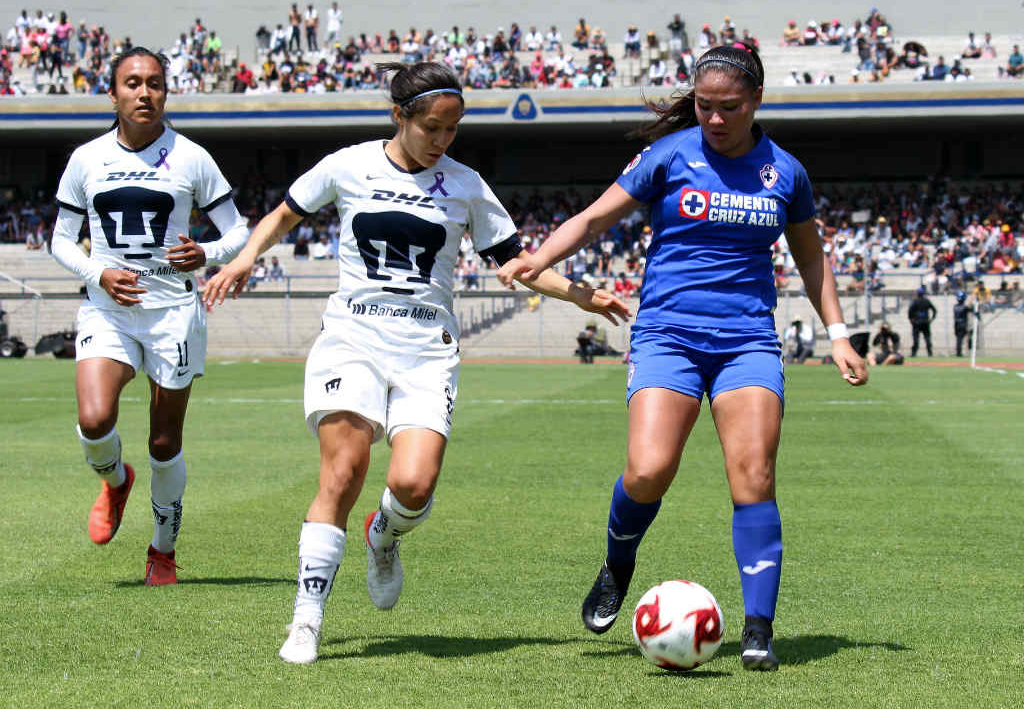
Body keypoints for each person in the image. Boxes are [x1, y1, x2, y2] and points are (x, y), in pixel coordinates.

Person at [201, 61, 631, 665]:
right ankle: (307, 616)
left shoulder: (465, 185)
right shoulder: (346, 166)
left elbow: (516, 261)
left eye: (453, 129)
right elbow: (284, 215)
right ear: (398, 116)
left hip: (428, 350)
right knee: (343, 472)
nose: (443, 140)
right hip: (353, 337)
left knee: (412, 484)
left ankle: (386, 535)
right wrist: (245, 258)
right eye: (432, 127)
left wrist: (584, 294)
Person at [498, 45, 867, 671]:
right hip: (667, 335)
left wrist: (837, 333)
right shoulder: (669, 156)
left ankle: (758, 628)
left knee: (753, 472)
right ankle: (617, 567)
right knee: (647, 471)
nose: (715, 119)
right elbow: (592, 220)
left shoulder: (786, 172)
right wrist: (543, 257)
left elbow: (811, 258)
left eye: (729, 107)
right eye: (704, 106)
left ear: (755, 103)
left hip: (747, 340)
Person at [48, 47, 249, 586]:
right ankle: (115, 480)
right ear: (112, 94)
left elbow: (238, 232)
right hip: (108, 309)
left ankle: (162, 550)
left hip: (174, 313)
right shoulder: (87, 159)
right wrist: (98, 273)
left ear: (166, 91)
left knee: (164, 442)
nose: (144, 92)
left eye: (155, 83)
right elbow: (61, 242)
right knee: (94, 421)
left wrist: (206, 253)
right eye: (132, 83)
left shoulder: (192, 158)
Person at [907, 286, 937, 357]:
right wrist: (932, 318)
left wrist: (911, 319)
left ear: (917, 293)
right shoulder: (927, 301)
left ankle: (914, 353)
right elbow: (934, 310)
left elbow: (910, 311)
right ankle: (930, 353)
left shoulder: (915, 301)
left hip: (917, 322)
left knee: (916, 338)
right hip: (925, 322)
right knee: (927, 338)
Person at [952, 290, 977, 357]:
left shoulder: (955, 306)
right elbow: (971, 309)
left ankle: (959, 352)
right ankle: (961, 352)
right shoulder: (964, 307)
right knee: (965, 337)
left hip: (956, 324)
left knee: (959, 339)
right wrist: (972, 300)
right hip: (963, 324)